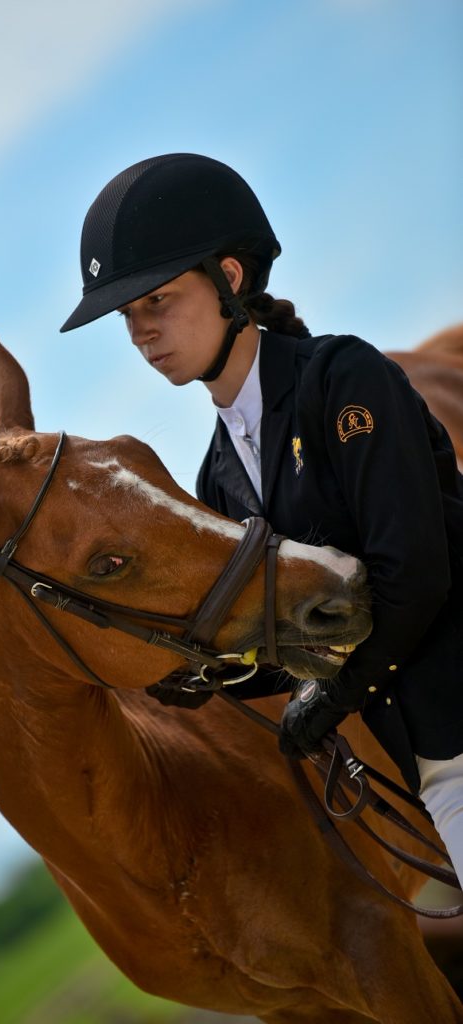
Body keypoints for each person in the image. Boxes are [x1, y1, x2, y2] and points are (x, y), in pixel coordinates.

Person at [59, 152, 463, 883]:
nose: (141, 332)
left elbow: (416, 574)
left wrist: (336, 697)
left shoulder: (342, 377)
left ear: (229, 280)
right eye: (128, 316)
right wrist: (207, 679)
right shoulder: (216, 481)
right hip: (432, 772)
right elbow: (297, 637)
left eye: (156, 300)